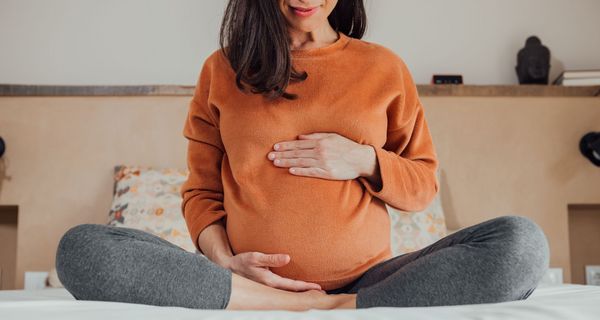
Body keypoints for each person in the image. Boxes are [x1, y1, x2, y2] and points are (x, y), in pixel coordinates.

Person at [55, 0, 550, 311]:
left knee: (522, 245)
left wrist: (364, 160)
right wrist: (224, 261)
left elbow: (422, 184)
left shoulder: (382, 68)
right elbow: (202, 190)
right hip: (240, 280)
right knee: (80, 250)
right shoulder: (221, 69)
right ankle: (270, 303)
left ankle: (346, 304)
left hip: (369, 278)